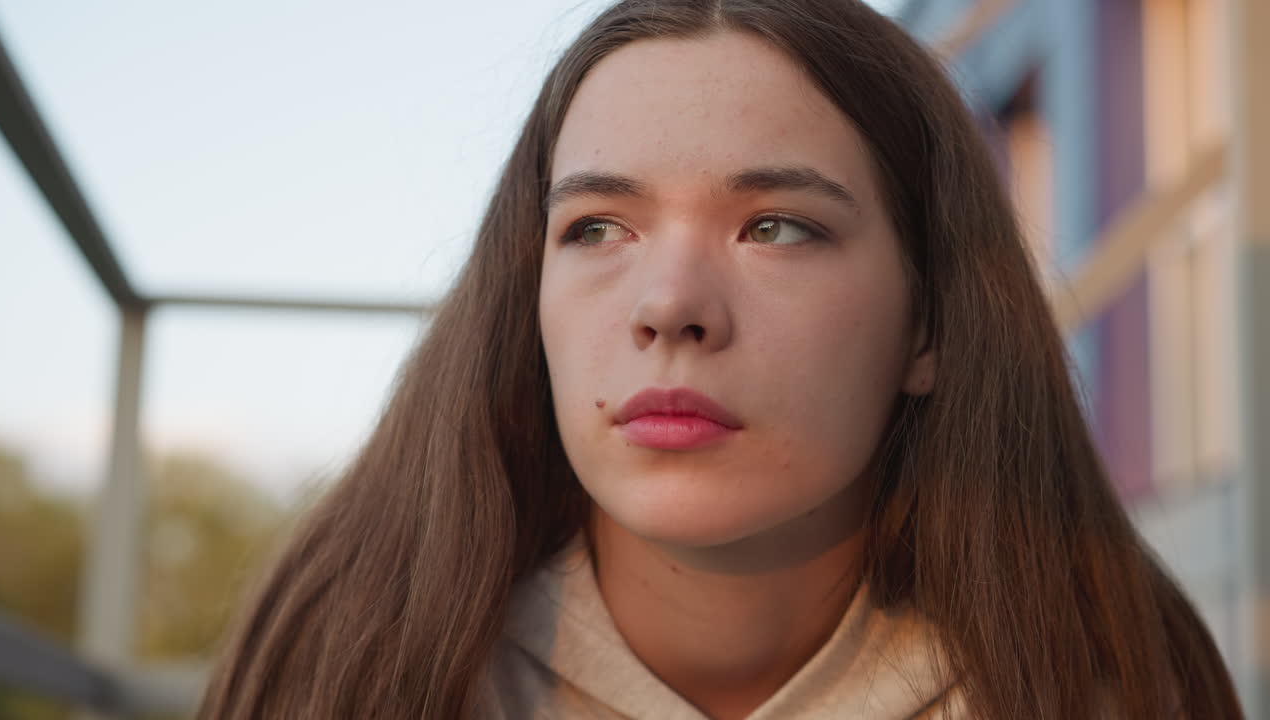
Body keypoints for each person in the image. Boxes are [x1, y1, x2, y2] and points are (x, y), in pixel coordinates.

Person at [197, 1, 1244, 718]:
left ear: (927, 328)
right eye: (598, 229)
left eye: (777, 227)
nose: (669, 307)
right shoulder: (354, 671)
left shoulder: (1101, 688)